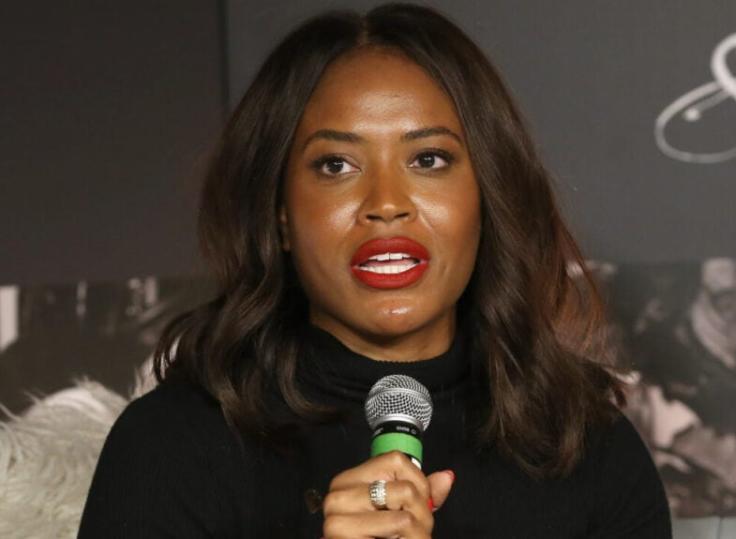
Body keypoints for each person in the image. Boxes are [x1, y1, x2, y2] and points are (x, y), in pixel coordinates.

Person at [77, 4, 671, 538]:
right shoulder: (170, 449)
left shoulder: (590, 450)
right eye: (335, 165)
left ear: (486, 196)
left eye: (428, 159)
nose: (386, 202)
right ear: (280, 216)